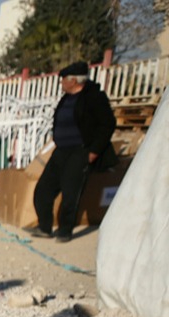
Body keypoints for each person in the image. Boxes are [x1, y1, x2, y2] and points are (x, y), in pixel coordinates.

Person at [32, 61, 118, 243]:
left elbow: (107, 124)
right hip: (61, 150)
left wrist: (94, 150)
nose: (61, 83)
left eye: (63, 80)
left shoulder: (94, 97)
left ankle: (65, 230)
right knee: (43, 190)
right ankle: (44, 226)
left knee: (71, 192)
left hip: (80, 151)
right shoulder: (66, 98)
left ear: (74, 80)